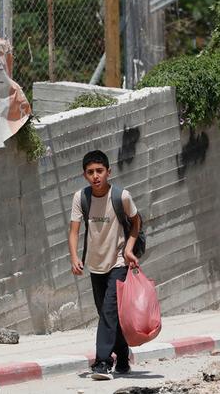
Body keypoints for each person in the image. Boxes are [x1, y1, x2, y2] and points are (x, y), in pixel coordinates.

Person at [68, 150, 142, 380]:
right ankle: (122, 356)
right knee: (107, 314)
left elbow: (136, 222)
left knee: (109, 312)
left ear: (108, 172)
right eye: (90, 172)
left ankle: (102, 362)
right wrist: (74, 257)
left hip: (118, 262)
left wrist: (128, 249)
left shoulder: (121, 196)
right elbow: (73, 232)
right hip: (95, 264)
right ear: (84, 175)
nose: (95, 176)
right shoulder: (81, 197)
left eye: (99, 171)